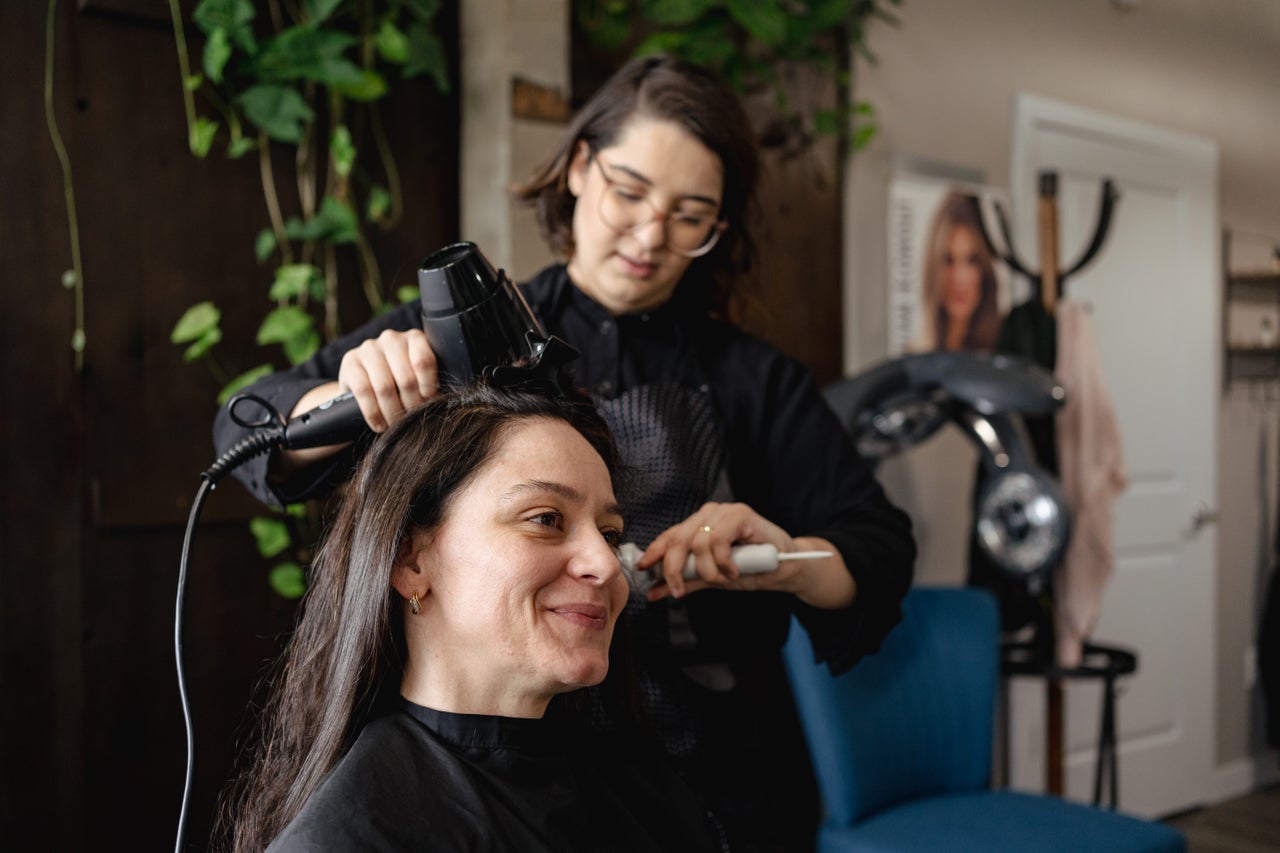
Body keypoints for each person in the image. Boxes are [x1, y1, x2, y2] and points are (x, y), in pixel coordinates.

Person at [214, 54, 916, 852]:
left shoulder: (754, 381)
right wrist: (344, 396)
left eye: (691, 215)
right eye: (630, 191)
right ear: (580, 167)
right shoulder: (470, 335)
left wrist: (783, 557)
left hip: (712, 770)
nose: (651, 235)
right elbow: (245, 433)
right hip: (510, 758)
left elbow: (877, 546)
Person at [218, 383, 720, 852]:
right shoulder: (350, 836)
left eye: (609, 534)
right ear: (412, 564)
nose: (608, 565)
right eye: (545, 519)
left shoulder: (647, 796)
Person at [919, 191, 1002, 351]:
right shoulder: (913, 359)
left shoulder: (1001, 353)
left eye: (972, 261)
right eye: (948, 261)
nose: (960, 278)